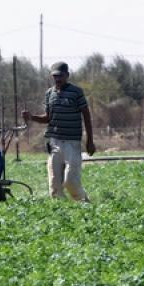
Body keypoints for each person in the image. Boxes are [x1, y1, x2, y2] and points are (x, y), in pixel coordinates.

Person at [22, 61, 95, 202]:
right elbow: (48, 118)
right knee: (54, 185)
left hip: (72, 143)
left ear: (67, 75)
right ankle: (60, 212)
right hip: (54, 142)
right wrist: (32, 117)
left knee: (71, 181)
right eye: (55, 76)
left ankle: (84, 203)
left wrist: (90, 141)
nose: (57, 79)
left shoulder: (76, 92)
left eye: (60, 76)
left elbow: (86, 116)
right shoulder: (50, 93)